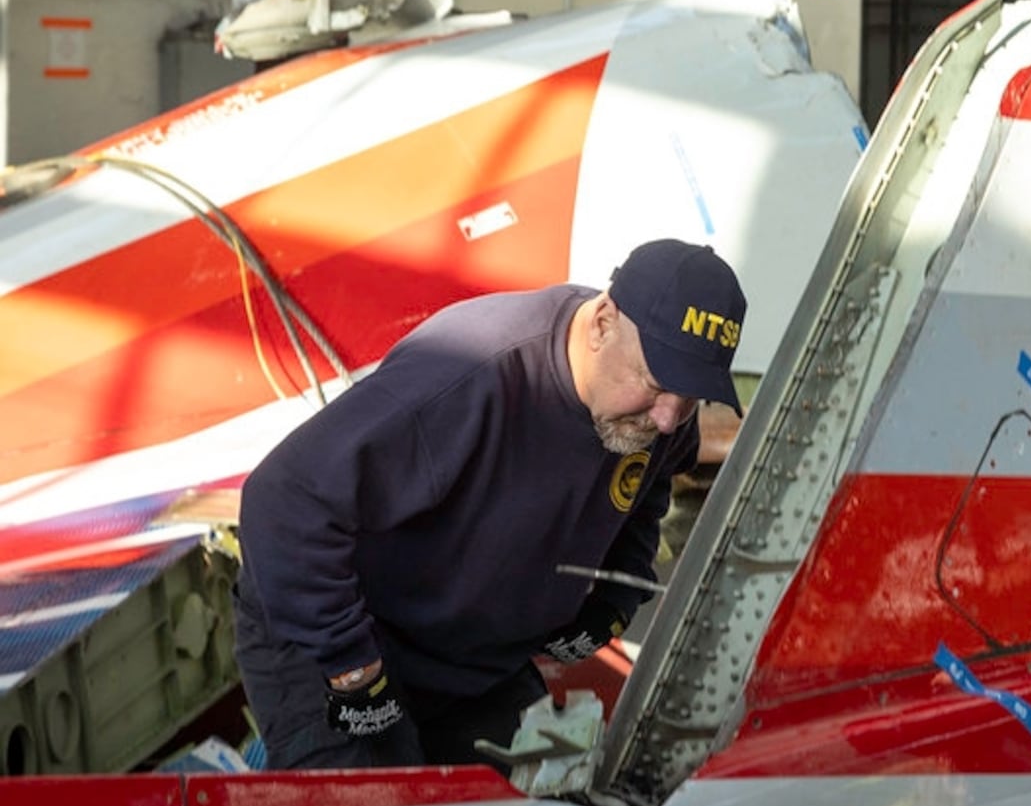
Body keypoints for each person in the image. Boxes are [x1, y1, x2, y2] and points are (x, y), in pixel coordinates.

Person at [232, 238, 747, 770]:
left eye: (690, 398)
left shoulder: (656, 414)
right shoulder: (466, 375)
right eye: (657, 384)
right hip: (339, 633)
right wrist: (353, 668)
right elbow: (282, 499)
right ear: (602, 324)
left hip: (471, 656)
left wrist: (615, 594)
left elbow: (652, 481)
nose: (668, 418)